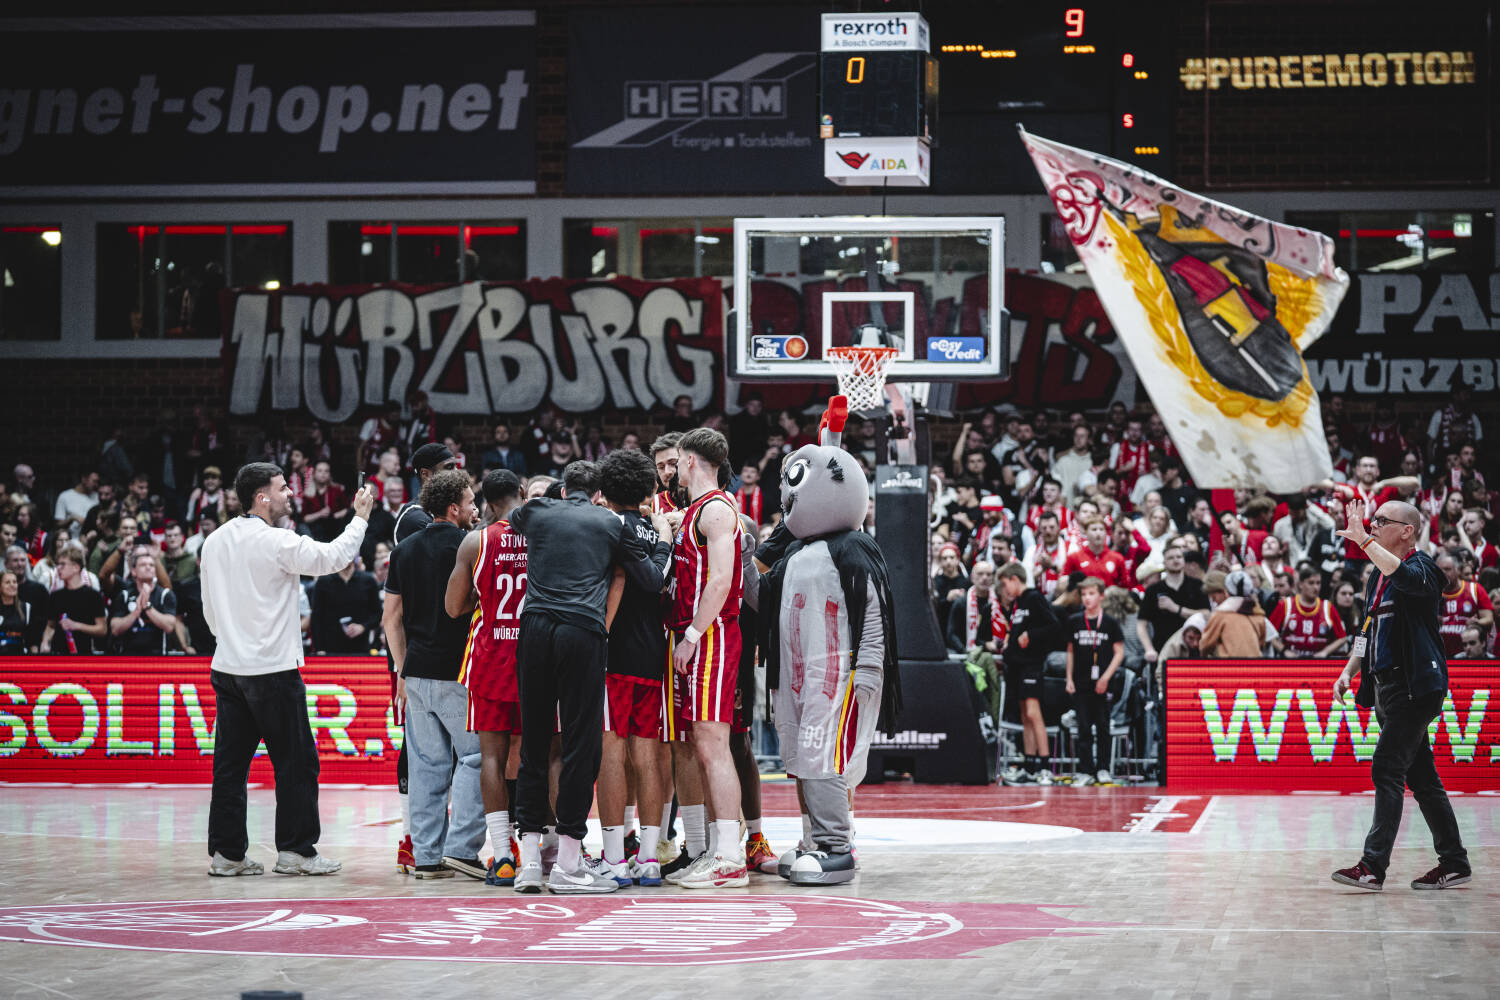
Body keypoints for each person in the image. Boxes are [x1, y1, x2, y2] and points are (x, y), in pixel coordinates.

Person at [199, 462, 374, 878]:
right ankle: (296, 851)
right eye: (282, 489)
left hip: (228, 668)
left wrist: (232, 641)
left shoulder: (214, 541)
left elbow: (209, 611)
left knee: (229, 767)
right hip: (273, 670)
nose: (291, 493)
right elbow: (333, 557)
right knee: (296, 763)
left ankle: (227, 854)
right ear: (262, 497)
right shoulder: (277, 541)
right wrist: (361, 517)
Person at [508, 460, 671, 895]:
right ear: (598, 494)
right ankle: (567, 864)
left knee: (533, 745)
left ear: (564, 489)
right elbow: (651, 580)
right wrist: (663, 542)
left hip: (534, 629)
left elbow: (513, 520)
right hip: (582, 632)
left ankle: (529, 864)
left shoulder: (536, 511)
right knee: (582, 747)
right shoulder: (609, 523)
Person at [1331, 498, 1471, 891]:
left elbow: (1406, 579)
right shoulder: (1376, 576)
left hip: (1415, 686)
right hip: (1386, 688)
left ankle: (1372, 866)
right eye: (1372, 520)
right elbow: (1367, 628)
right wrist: (1348, 670)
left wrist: (1363, 543)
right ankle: (1455, 862)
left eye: (1381, 520)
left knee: (1386, 767)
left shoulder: (1423, 567)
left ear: (1407, 531)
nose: (1372, 525)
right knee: (1422, 778)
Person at [657, 429, 749, 889]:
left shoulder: (715, 509)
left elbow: (721, 580)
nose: (672, 469)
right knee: (702, 744)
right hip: (697, 635)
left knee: (713, 743)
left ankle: (730, 857)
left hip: (711, 636)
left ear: (690, 461)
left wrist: (691, 635)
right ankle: (718, 848)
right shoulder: (697, 510)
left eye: (676, 461)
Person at [382, 470, 484, 881]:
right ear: (454, 508)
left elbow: (390, 618)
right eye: (471, 502)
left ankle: (426, 857)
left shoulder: (403, 550)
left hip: (416, 673)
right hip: (457, 672)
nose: (476, 509)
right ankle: (462, 849)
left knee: (426, 766)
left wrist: (402, 667)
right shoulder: (469, 545)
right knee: (476, 758)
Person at [588, 452, 675, 888]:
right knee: (647, 755)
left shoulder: (606, 527)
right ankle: (650, 858)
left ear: (604, 490)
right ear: (648, 488)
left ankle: (615, 858)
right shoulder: (657, 529)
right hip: (653, 651)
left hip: (613, 654)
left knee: (611, 753)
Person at [445, 469, 529, 887]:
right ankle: (542, 849)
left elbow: (452, 607)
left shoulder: (475, 541)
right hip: (536, 658)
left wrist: (485, 598)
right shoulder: (543, 536)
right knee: (541, 757)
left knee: (492, 758)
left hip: (491, 658)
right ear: (522, 493)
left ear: (487, 502)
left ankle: (503, 856)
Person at [997, 561, 1060, 786]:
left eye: (1005, 584)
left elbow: (1053, 625)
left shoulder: (1033, 597)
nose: (1005, 590)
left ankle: (1045, 766)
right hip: (1018, 665)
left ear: (1014, 579)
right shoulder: (1019, 603)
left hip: (1032, 664)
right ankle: (1030, 765)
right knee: (1025, 715)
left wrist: (1030, 636)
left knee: (1034, 713)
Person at [1064, 577, 1125, 786]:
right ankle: (1085, 770)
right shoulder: (1074, 621)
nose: (1087, 598)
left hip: (1103, 682)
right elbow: (1070, 651)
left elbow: (1119, 653)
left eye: (1091, 594)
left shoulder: (1110, 622)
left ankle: (1103, 768)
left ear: (1101, 596)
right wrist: (1069, 678)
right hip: (1081, 681)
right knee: (1083, 727)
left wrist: (1106, 677)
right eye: (1084, 594)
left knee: (1103, 726)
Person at [108, 548, 178, 655]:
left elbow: (169, 627)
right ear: (133, 571)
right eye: (143, 565)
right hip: (128, 656)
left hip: (158, 656)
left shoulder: (165, 595)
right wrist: (136, 612)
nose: (148, 567)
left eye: (151, 565)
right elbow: (115, 629)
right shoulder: (124, 595)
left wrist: (147, 607)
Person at [40, 543, 107, 655]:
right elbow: (51, 625)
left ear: (76, 567)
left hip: (83, 654)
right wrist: (45, 642)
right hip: (58, 653)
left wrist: (77, 626)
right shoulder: (55, 596)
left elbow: (102, 630)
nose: (58, 568)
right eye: (58, 564)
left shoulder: (93, 596)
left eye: (63, 564)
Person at [1268, 568, 1347, 659]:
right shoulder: (1286, 605)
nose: (1316, 587)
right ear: (1301, 584)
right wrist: (1284, 651)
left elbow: (1342, 638)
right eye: (1311, 583)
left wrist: (1325, 652)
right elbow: (1269, 634)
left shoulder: (1327, 607)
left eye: (1318, 583)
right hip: (1290, 662)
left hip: (1318, 663)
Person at [310, 559, 382, 655]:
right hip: (330, 648)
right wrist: (319, 648)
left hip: (360, 647)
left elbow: (377, 614)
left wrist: (363, 627)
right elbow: (316, 617)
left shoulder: (368, 581)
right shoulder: (323, 581)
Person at [393, 443, 460, 543]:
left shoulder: (449, 508)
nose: (457, 472)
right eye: (449, 467)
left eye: (456, 466)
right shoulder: (415, 518)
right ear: (425, 474)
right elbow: (448, 550)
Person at [1435, 549, 1494, 657]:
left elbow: (1489, 619)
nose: (1443, 573)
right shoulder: (1431, 593)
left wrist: (1477, 622)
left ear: (1458, 570)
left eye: (1447, 569)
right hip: (1440, 655)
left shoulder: (1474, 589)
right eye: (1440, 570)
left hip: (1468, 656)